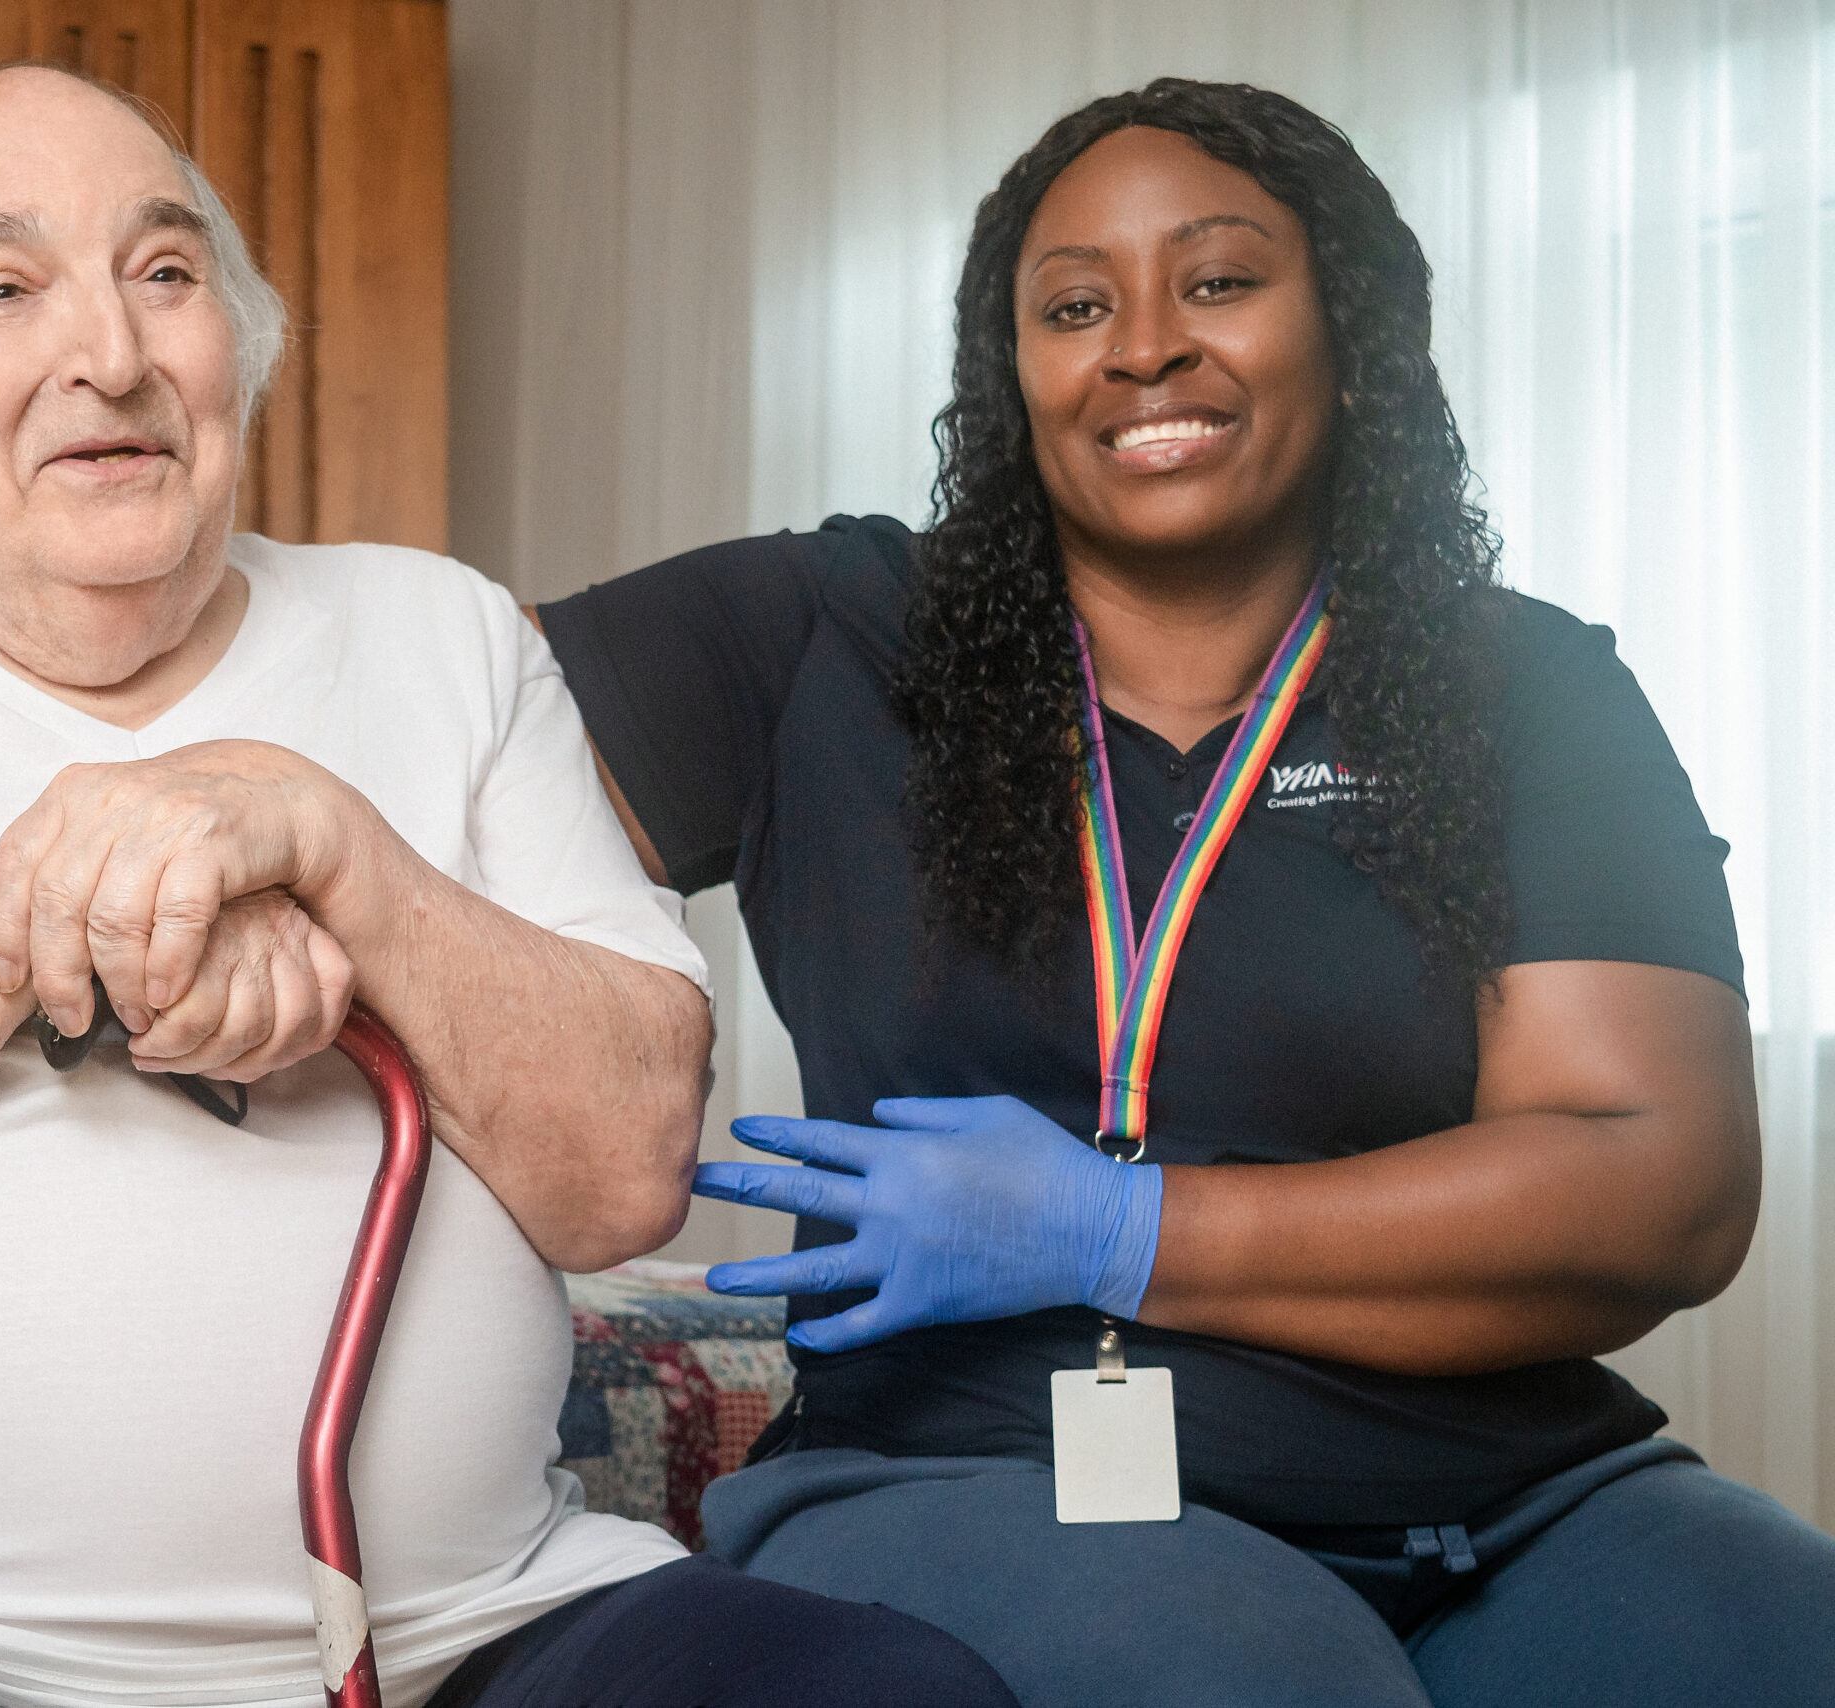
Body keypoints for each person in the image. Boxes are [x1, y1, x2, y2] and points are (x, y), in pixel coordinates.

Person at [0, 63, 1014, 1708]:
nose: (115, 356)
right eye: (7, 288)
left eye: (167, 274)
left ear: (243, 345)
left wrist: (338, 853)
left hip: (471, 1624)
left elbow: (628, 1174)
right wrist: (22, 924)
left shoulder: (445, 637)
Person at [535, 77, 1835, 1708]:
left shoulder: (1526, 691)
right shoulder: (831, 631)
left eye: (1218, 281)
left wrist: (1122, 1228)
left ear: (1350, 331)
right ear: (1014, 380)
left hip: (1516, 1499)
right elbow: (422, 737)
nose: (1144, 345)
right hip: (968, 1474)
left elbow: (1664, 1182)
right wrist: (228, 812)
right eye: (1075, 306)